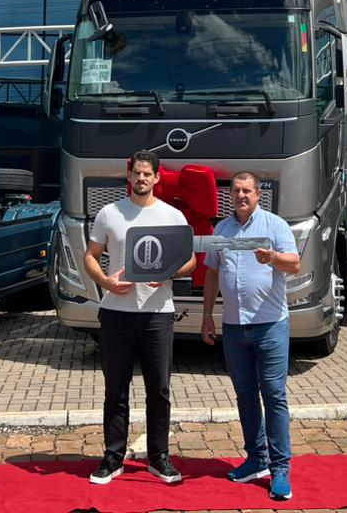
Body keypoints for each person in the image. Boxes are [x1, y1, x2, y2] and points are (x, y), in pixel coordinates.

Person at [84, 150, 195, 485]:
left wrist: (169, 272)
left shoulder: (173, 216)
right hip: (116, 314)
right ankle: (112, 458)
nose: (142, 178)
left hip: (157, 314)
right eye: (137, 173)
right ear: (129, 176)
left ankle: (159, 458)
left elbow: (190, 260)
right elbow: (91, 255)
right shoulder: (109, 213)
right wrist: (105, 281)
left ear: (157, 178)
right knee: (115, 389)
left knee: (159, 389)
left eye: (148, 174)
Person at [201, 170, 301, 502]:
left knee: (274, 395)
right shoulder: (221, 230)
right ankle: (256, 458)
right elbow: (212, 272)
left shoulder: (275, 226)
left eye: (247, 190)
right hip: (233, 327)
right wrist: (207, 316)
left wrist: (273, 257)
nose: (241, 195)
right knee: (245, 395)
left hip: (270, 325)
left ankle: (280, 468)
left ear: (258, 194)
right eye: (236, 191)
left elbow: (295, 264)